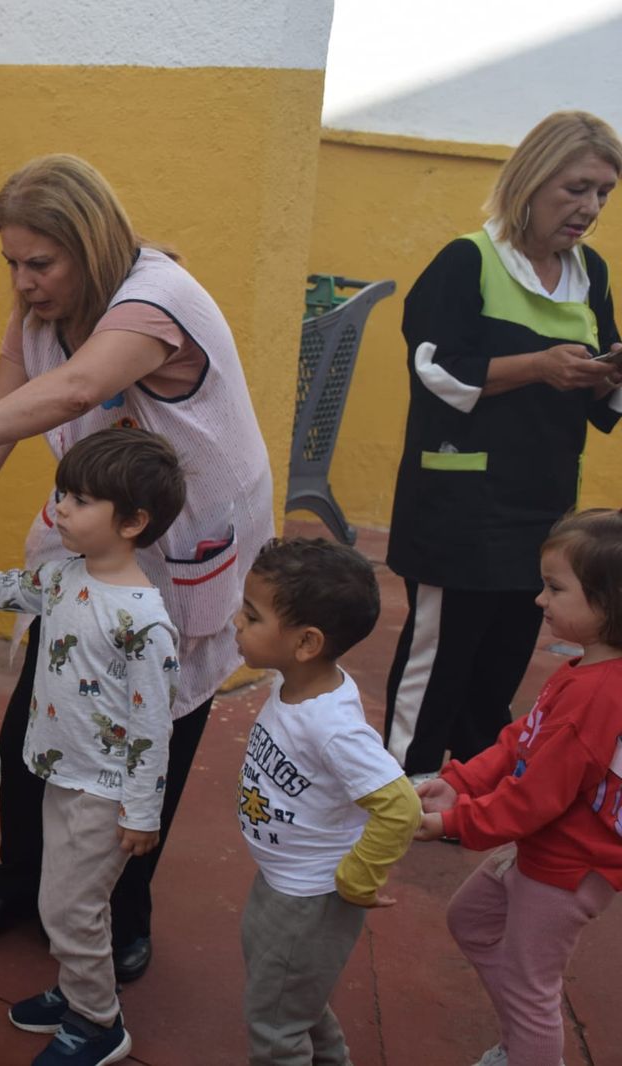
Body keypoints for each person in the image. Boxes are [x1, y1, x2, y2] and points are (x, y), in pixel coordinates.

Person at [0, 154, 273, 982]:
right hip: (93, 533)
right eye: (12, 262)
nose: (25, 282)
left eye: (41, 262)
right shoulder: (41, 313)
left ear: (90, 243)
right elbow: (6, 412)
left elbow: (74, 392)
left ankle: (122, 910)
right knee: (40, 710)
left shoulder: (156, 299)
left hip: (181, 544)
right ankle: (21, 881)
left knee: (151, 733)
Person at [0, 427, 184, 1066]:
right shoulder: (62, 575)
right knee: (65, 898)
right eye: (63, 494)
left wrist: (141, 810)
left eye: (80, 501)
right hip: (62, 773)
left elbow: (155, 725)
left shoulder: (143, 622)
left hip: (104, 793)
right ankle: (77, 991)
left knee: (70, 909)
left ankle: (98, 1022)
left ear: (133, 521)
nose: (62, 510)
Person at [384, 110, 622, 781]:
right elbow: (434, 368)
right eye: (576, 188)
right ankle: (401, 795)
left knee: (499, 665)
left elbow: (596, 385)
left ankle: (471, 790)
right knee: (436, 666)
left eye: (603, 192)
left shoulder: (589, 273)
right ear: (533, 177)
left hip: (541, 503)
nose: (590, 207)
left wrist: (608, 371)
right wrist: (539, 366)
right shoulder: (468, 261)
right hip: (458, 504)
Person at [415, 508, 622, 1066]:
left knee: (535, 993)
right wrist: (457, 783)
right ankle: (524, 1044)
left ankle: (528, 1050)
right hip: (541, 851)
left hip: (565, 869)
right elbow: (518, 742)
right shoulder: (582, 669)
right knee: (473, 922)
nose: (539, 599)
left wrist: (453, 823)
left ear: (609, 603)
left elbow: (537, 798)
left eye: (555, 588)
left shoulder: (597, 696)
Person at [232, 538, 419, 1066]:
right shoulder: (299, 683)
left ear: (306, 642)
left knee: (275, 1026)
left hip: (309, 898)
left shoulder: (331, 725)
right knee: (294, 1001)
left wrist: (358, 879)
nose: (236, 623)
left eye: (251, 615)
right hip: (282, 880)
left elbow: (399, 806)